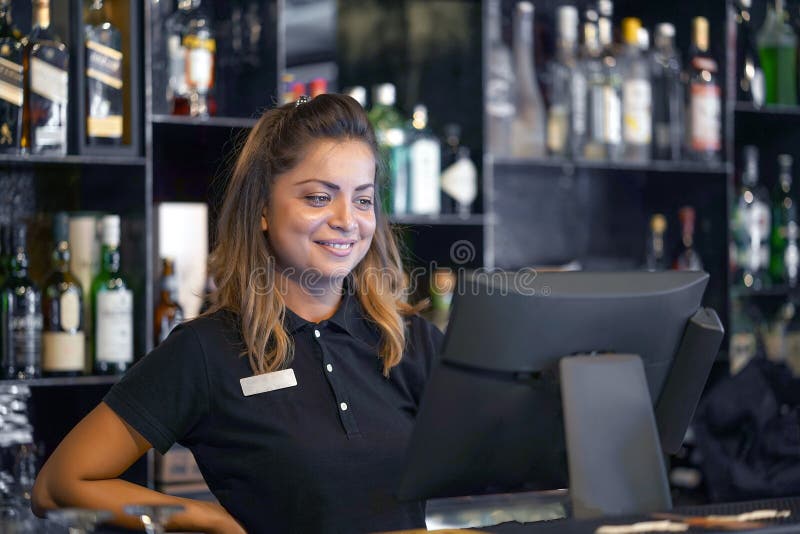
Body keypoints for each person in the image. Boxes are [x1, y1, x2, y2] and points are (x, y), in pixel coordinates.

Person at [32, 94, 445, 533]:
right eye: (320, 197)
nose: (347, 219)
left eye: (363, 200)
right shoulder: (207, 350)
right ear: (263, 208)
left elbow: (499, 456)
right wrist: (208, 520)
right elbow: (57, 485)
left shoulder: (406, 340)